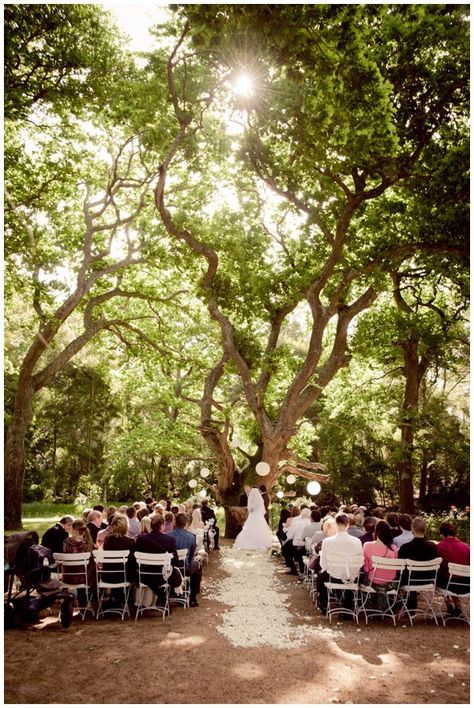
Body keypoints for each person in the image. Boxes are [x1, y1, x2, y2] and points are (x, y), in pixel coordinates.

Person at [317, 513, 363, 615]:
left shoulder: (327, 541)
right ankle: (347, 606)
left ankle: (324, 604)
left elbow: (323, 564)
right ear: (348, 525)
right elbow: (359, 562)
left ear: (336, 525)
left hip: (333, 576)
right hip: (351, 577)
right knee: (350, 573)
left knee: (320, 574)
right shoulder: (357, 541)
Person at [134, 514, 183, 601]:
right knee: (173, 572)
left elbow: (136, 560)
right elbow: (175, 562)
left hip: (145, 576)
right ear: (162, 526)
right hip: (163, 577)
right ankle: (165, 596)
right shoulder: (170, 540)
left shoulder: (141, 540)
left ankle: (162, 596)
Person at [397, 516, 438, 610]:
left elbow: (400, 567)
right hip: (428, 579)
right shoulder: (432, 547)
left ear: (412, 528)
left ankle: (407, 604)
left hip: (409, 580)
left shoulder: (405, 547)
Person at [436, 521, 470, 617]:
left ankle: (449, 604)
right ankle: (458, 605)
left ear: (442, 533)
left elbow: (439, 568)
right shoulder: (466, 547)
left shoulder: (440, 546)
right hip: (466, 585)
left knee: (443, 576)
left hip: (449, 585)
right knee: (454, 576)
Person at [168, 512, 202, 607]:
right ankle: (193, 598)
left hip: (169, 569)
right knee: (197, 566)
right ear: (186, 523)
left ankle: (177, 592)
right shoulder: (191, 537)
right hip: (183, 568)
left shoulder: (167, 536)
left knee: (194, 564)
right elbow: (191, 557)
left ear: (175, 522)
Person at [234, 487, 273, 551]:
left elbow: (251, 510)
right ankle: (261, 543)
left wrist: (250, 508)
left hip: (253, 516)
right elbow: (262, 510)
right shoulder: (260, 500)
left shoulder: (252, 501)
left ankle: (251, 542)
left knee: (251, 528)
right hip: (259, 516)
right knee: (260, 529)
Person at [363, 520, 398, 584]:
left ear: (376, 531)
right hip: (390, 580)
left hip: (373, 580)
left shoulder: (367, 545)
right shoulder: (394, 548)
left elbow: (366, 568)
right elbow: (395, 567)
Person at [282, 508, 312, 575]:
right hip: (309, 546)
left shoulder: (297, 523)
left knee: (284, 549)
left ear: (301, 515)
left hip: (297, 545)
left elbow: (289, 535)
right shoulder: (311, 523)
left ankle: (293, 569)